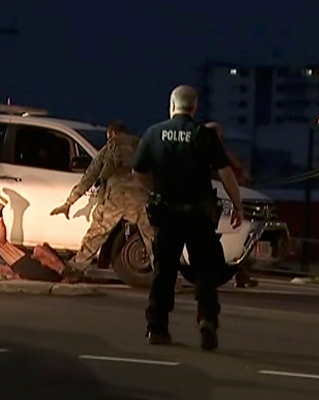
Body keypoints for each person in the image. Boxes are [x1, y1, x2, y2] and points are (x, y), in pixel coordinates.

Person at [132, 84, 244, 351]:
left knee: (164, 271)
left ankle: (157, 328)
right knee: (206, 269)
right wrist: (237, 206)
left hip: (167, 213)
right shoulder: (204, 135)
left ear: (172, 105)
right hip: (199, 215)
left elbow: (138, 170)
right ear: (194, 108)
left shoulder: (153, 133)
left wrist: (155, 189)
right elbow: (226, 173)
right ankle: (207, 319)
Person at [50, 121, 154, 282]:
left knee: (96, 234)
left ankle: (75, 269)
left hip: (115, 199)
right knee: (152, 238)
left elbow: (89, 177)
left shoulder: (109, 148)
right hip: (141, 198)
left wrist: (68, 203)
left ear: (111, 134)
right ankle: (165, 276)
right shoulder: (141, 145)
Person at [204, 121, 258, 289]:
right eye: (218, 136)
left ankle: (240, 274)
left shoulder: (227, 156)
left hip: (225, 203)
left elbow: (241, 177)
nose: (220, 139)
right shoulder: (209, 154)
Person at [0, 195, 68, 281]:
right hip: (32, 270)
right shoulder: (17, 271)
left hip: (33, 270)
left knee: (2, 245)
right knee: (2, 245)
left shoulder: (14, 272)